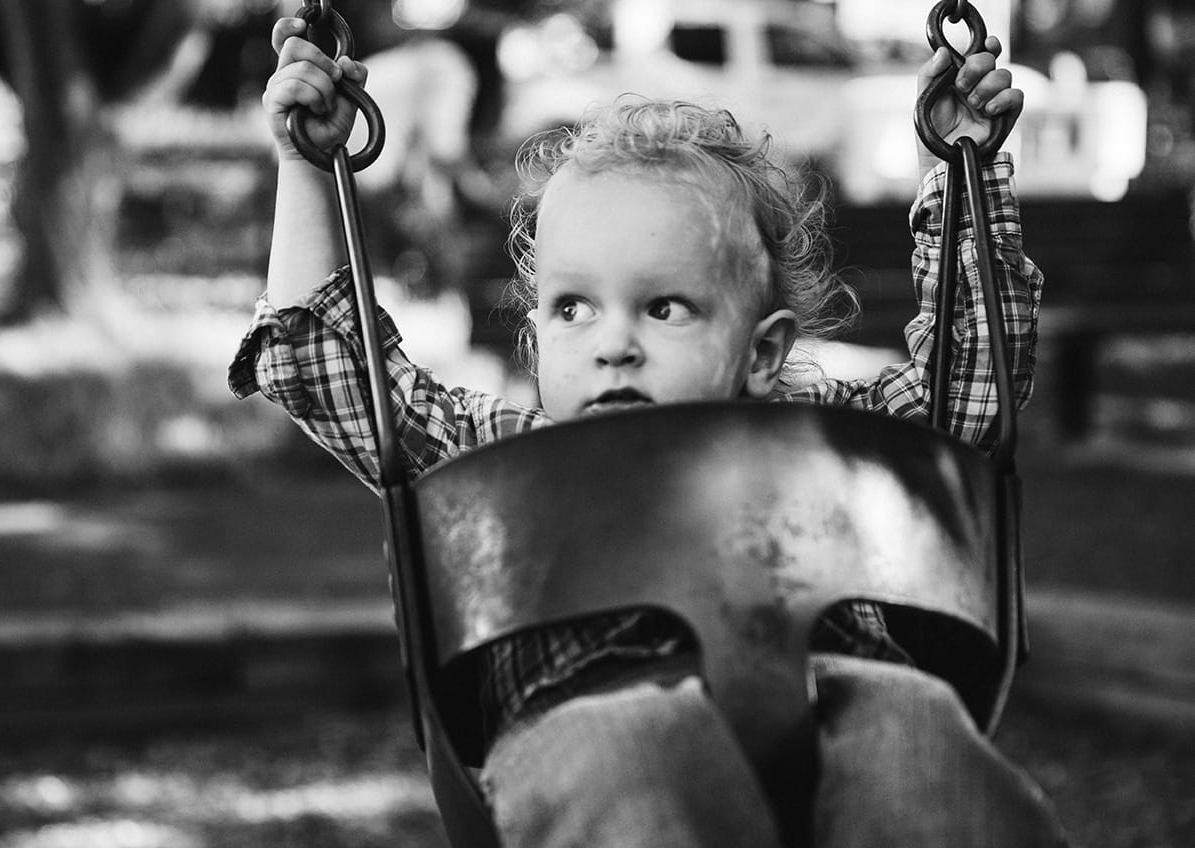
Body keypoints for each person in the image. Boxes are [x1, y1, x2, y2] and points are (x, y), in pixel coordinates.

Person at [231, 14, 1066, 848]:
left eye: (663, 307)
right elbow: (317, 364)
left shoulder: (821, 443)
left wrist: (963, 171)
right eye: (573, 308)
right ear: (534, 335)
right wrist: (308, 166)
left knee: (915, 734)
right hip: (587, 717)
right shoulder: (502, 450)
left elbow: (970, 388)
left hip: (833, 701)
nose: (613, 343)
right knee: (636, 754)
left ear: (764, 351)